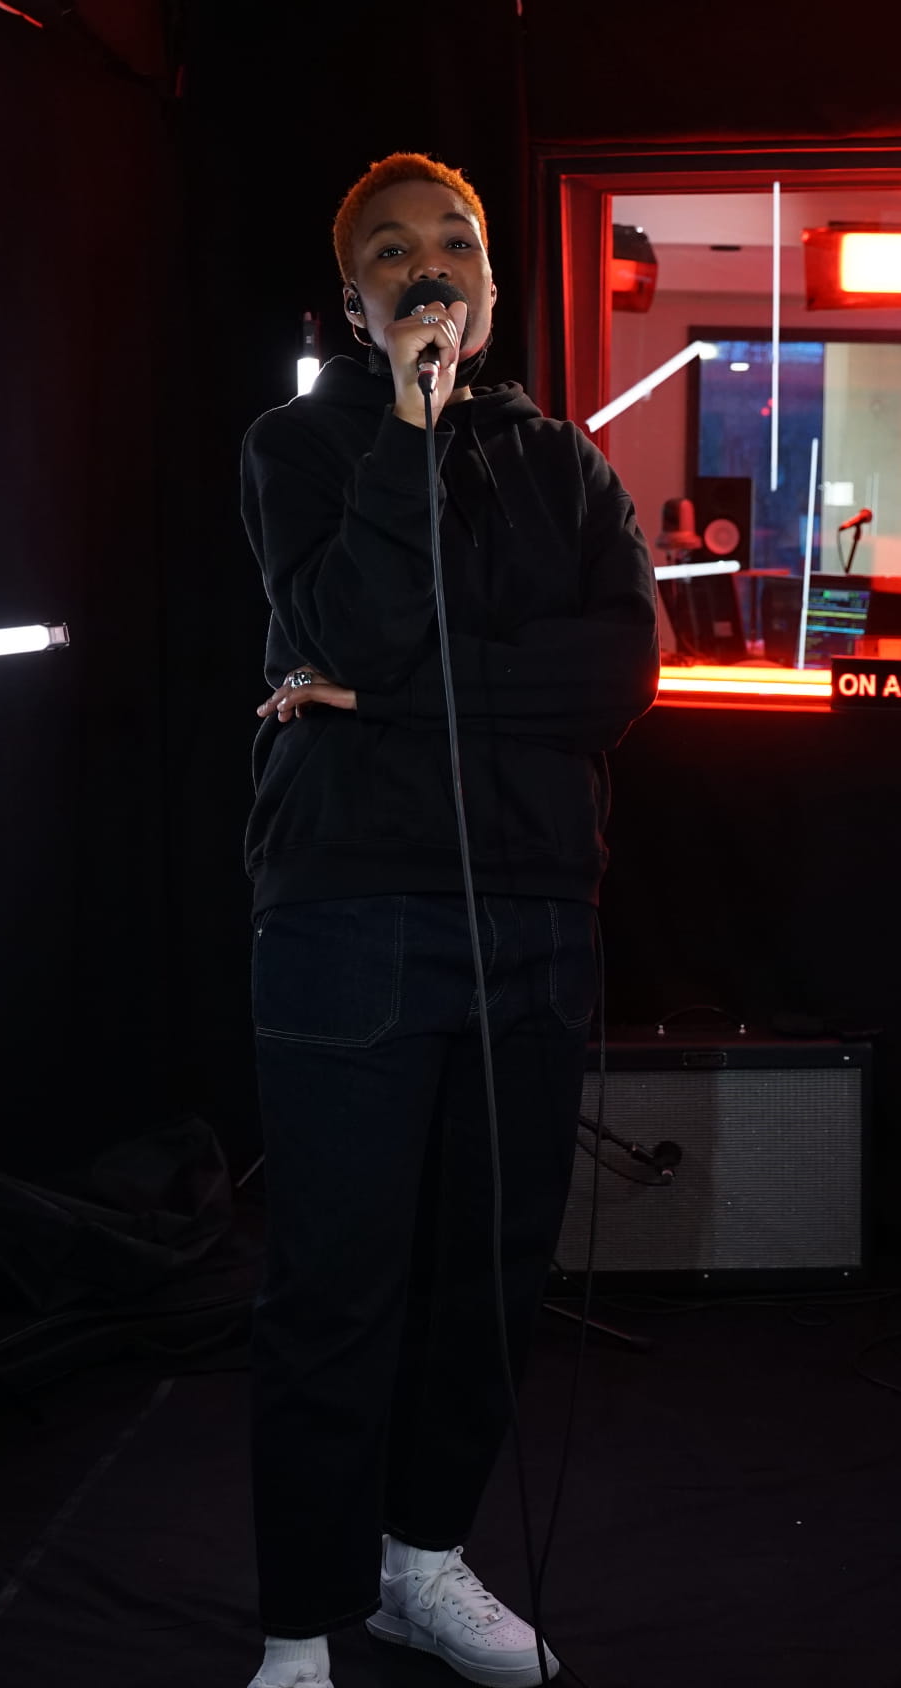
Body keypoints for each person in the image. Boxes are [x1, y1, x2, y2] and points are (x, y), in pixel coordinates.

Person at [234, 152, 657, 1688]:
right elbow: (345, 627)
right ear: (355, 303)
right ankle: (299, 1628)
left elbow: (619, 677)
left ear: (488, 280)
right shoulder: (298, 446)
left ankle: (421, 1564)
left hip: (536, 913)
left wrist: (398, 699)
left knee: (491, 1273)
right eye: (394, 252)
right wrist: (408, 436)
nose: (430, 267)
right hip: (349, 910)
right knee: (337, 1282)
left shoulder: (569, 464)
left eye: (455, 244)